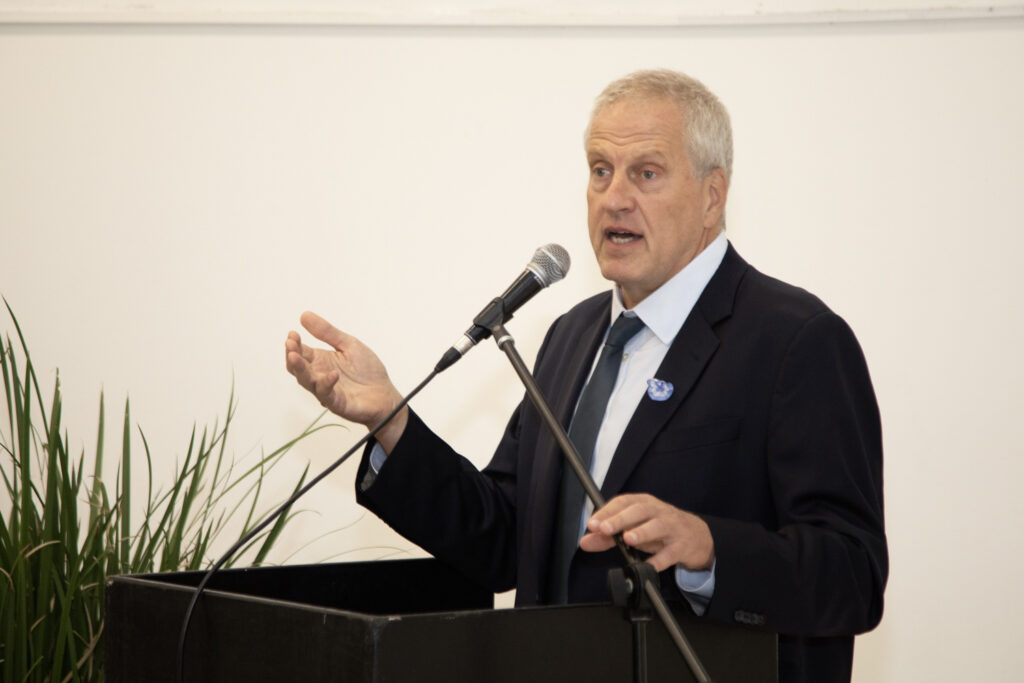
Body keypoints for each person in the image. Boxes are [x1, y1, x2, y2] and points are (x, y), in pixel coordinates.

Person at [285, 69, 887, 683]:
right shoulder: (572, 336)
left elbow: (854, 574)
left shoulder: (796, 341)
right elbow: (505, 539)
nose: (614, 198)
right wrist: (392, 422)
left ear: (713, 196)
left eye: (646, 173)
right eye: (601, 170)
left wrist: (709, 548)